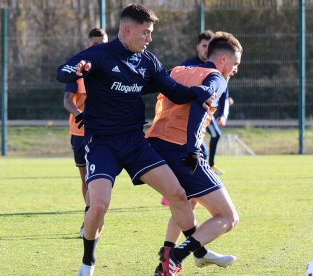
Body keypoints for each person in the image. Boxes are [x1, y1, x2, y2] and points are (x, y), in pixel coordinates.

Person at [57, 4, 216, 276]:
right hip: (102, 144)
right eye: (146, 32)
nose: (149, 38)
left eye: (151, 32)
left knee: (178, 193)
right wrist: (79, 69)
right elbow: (62, 72)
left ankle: (198, 252)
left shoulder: (147, 61)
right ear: (127, 31)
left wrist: (200, 92)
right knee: (98, 205)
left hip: (135, 143)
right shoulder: (99, 55)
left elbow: (175, 92)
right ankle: (88, 262)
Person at [145, 31, 242, 275]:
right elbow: (201, 104)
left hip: (153, 146)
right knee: (229, 218)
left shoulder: (178, 70)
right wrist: (192, 149)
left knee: (188, 199)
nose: (235, 69)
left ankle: (169, 251)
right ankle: (176, 257)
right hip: (180, 149)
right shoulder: (217, 78)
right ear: (222, 60)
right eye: (235, 63)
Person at [63, 28, 108, 239]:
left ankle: (91, 221)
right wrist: (80, 114)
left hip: (102, 133)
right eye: (94, 43)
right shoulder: (77, 69)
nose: (98, 47)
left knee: (96, 179)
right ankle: (91, 217)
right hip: (80, 132)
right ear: (88, 44)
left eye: (102, 43)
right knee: (85, 179)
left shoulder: (112, 67)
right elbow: (67, 101)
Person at [181, 30, 234, 175]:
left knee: (215, 136)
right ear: (198, 46)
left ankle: (209, 165)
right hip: (189, 113)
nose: (205, 49)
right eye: (203, 45)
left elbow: (224, 93)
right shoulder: (188, 65)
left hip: (207, 112)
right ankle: (203, 169)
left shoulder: (218, 71)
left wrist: (223, 114)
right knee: (198, 149)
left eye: (208, 46)